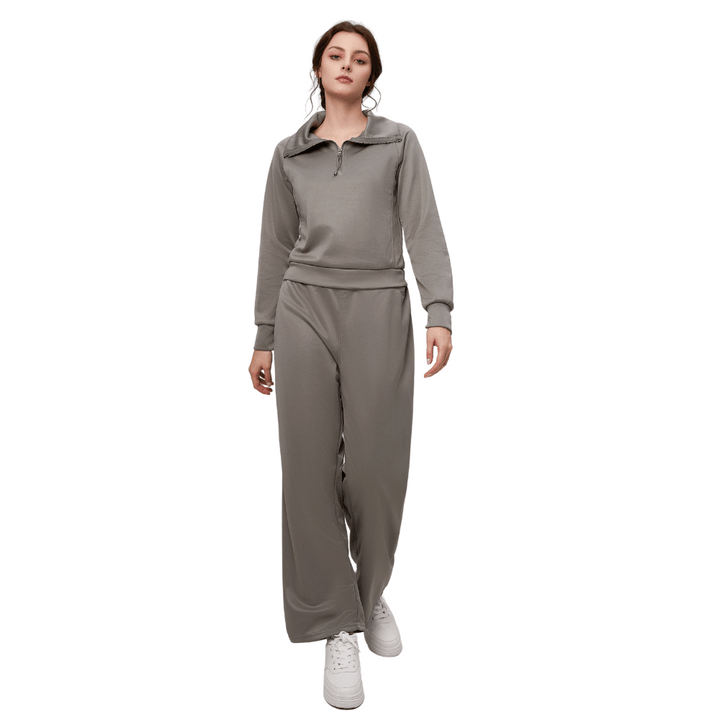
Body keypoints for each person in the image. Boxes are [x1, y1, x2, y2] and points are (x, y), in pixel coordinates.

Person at [248, 21, 454, 710]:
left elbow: (423, 226)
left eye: (359, 58)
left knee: (376, 469)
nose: (346, 65)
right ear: (318, 67)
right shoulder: (288, 155)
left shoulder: (399, 143)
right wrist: (264, 334)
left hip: (379, 305)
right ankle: (337, 622)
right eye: (335, 55)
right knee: (307, 468)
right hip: (302, 305)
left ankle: (370, 592)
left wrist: (439, 308)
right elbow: (274, 246)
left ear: (371, 75)